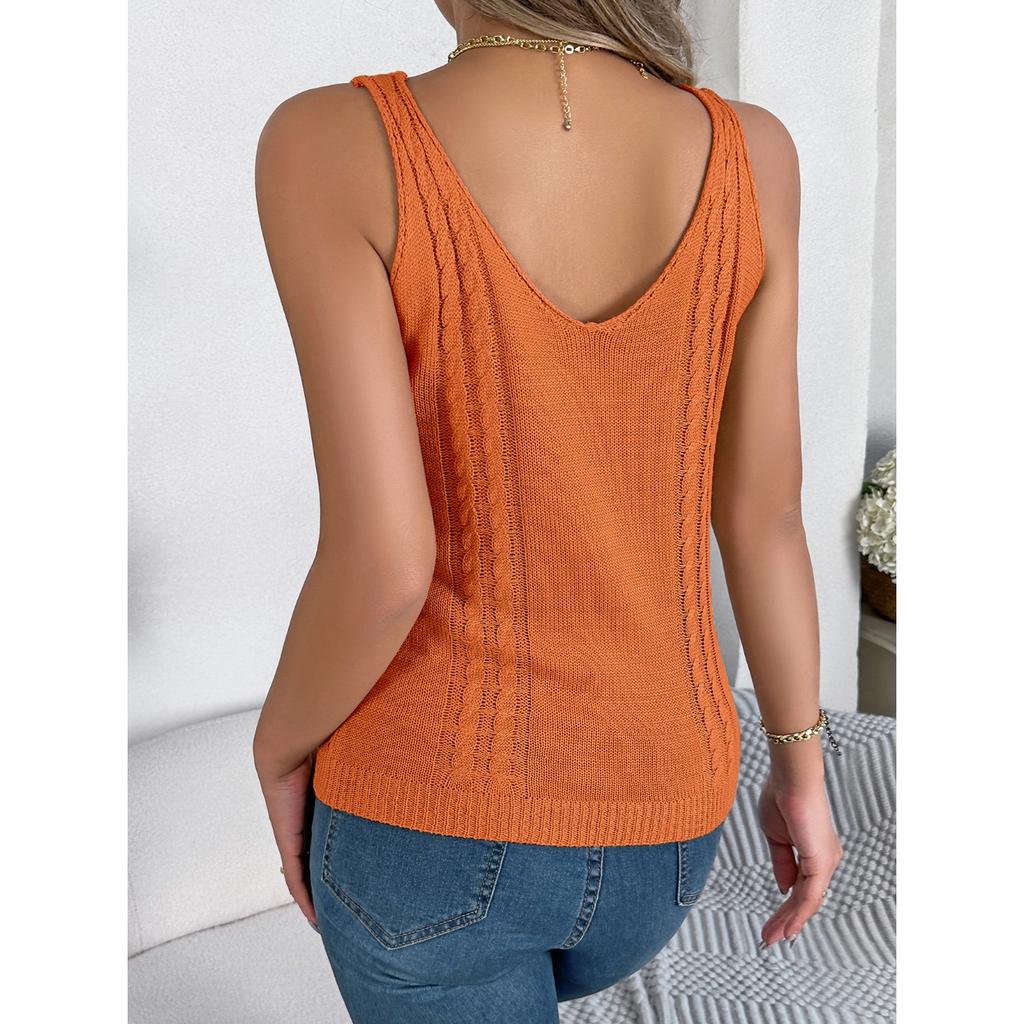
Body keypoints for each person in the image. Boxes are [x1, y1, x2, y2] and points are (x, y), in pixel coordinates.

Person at [252, 1, 844, 1020]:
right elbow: (764, 517)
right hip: (666, 838)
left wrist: (277, 748)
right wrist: (802, 771)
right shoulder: (755, 153)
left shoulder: (328, 140)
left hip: (425, 830)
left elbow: (386, 563)